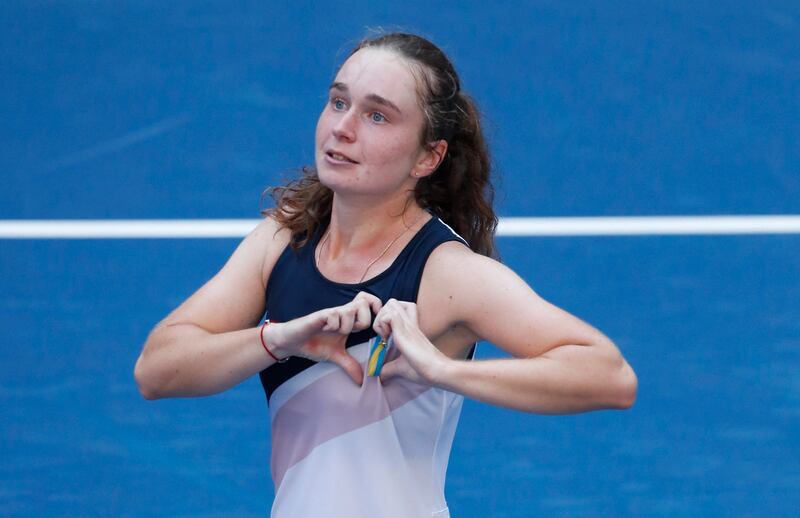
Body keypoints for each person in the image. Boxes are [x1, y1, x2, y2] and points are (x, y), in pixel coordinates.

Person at [134, 32, 637, 517]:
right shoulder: (280, 243)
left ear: (428, 156)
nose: (342, 128)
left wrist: (443, 371)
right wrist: (278, 339)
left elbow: (610, 376)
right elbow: (156, 371)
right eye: (338, 102)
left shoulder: (447, 273)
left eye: (377, 116)